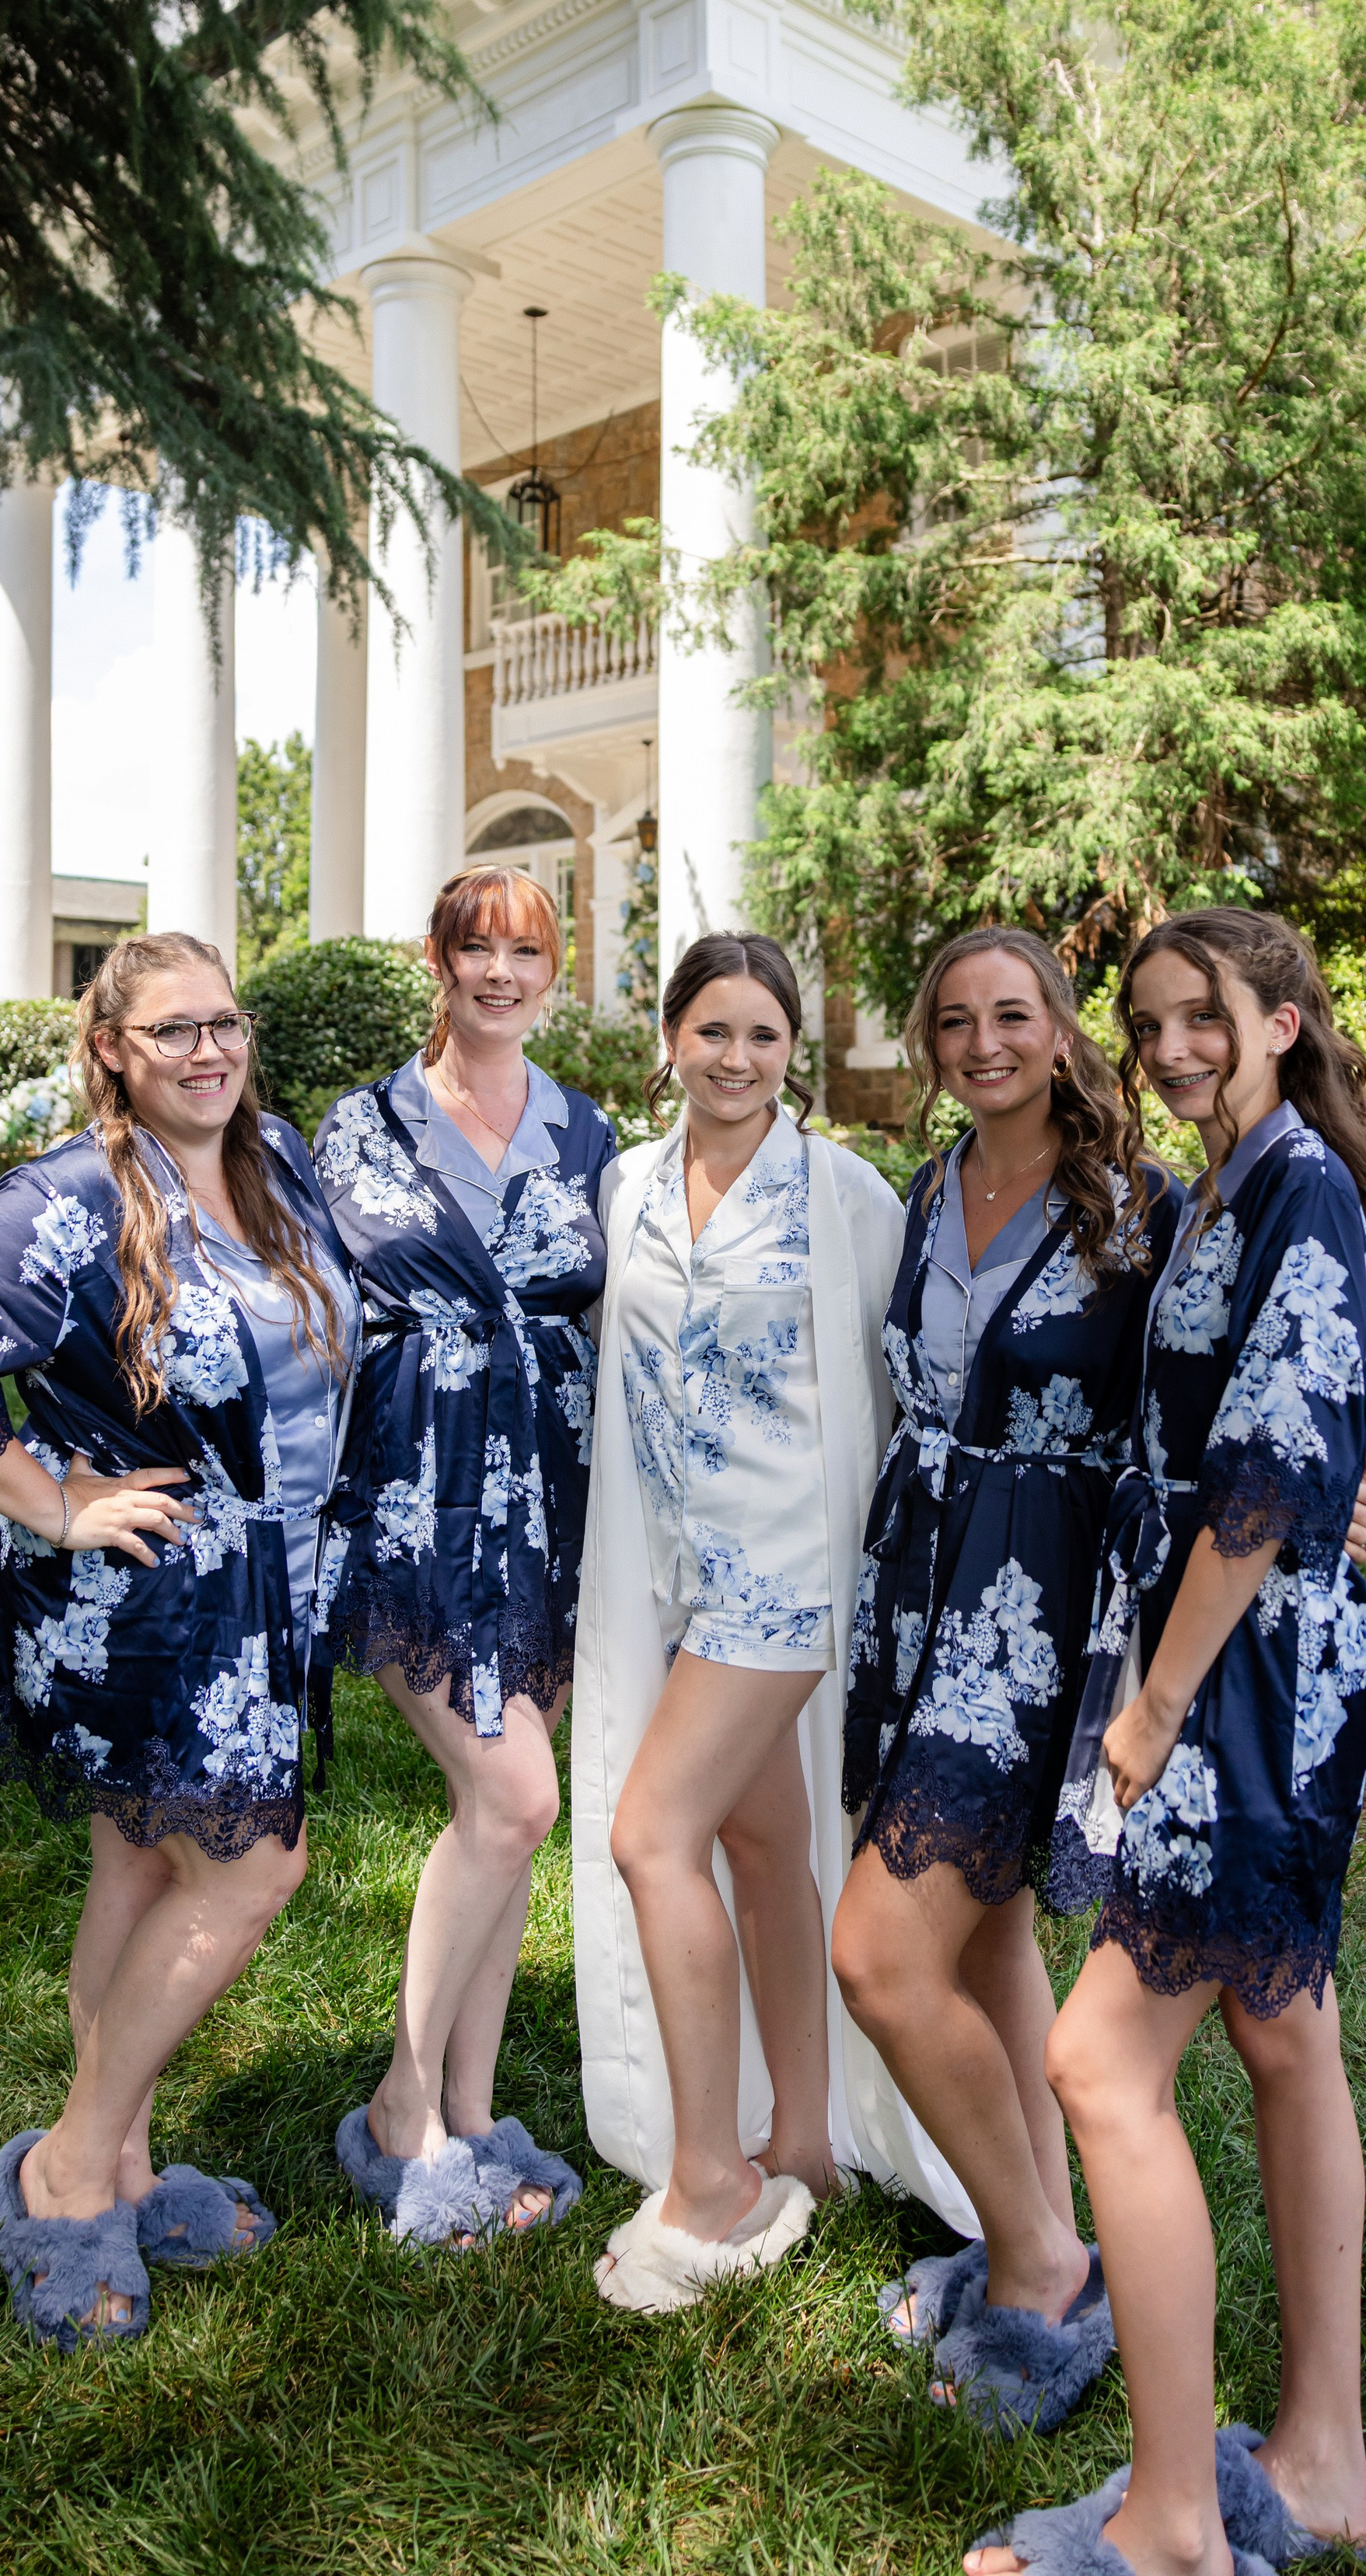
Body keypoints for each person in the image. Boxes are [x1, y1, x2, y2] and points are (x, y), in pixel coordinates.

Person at [971, 908, 1366, 2576]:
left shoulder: (1292, 1185)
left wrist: (1151, 1709)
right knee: (1282, 2032)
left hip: (1234, 1680)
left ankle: (1170, 2525)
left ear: (1283, 1019)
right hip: (1254, 1652)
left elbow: (1252, 1477)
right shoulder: (1228, 1185)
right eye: (1145, 1023)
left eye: (1200, 1018)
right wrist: (1329, 1495)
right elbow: (1276, 1443)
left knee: (1098, 2063)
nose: (1166, 1048)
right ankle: (1317, 2461)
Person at [0, 932, 361, 2350]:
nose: (211, 1051)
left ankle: (125, 2165)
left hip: (260, 1594)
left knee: (143, 1861)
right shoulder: (70, 1197)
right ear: (117, 1053)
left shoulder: (277, 1166)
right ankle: (68, 2170)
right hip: (141, 1608)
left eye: (227, 1025)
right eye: (177, 1032)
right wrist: (55, 1502)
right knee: (254, 1865)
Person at [571, 930, 963, 2316]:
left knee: (647, 1834)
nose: (737, 1061)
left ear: (794, 1051)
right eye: (712, 1032)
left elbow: (938, 1362)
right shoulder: (625, 1188)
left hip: (793, 1575)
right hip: (678, 1571)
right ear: (668, 1038)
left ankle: (712, 2184)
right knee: (756, 1838)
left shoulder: (846, 1197)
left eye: (764, 1038)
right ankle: (801, 2135)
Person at [832, 927, 1176, 2437]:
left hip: (1037, 1611)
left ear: (1057, 1034)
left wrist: (1343, 1488)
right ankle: (1032, 2225)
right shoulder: (925, 1192)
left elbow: (1230, 1382)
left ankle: (1042, 2266)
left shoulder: (1134, 1209)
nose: (982, 1043)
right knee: (982, 1947)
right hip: (919, 1585)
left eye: (1011, 1016)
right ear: (929, 1042)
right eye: (955, 1021)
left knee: (881, 1956)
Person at [315, 866, 615, 2246]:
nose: (499, 973)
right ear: (433, 959)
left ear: (556, 970)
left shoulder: (588, 1133)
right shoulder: (357, 1127)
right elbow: (297, 1313)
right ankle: (400, 2111)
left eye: (526, 952)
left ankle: (476, 2114)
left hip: (554, 1501)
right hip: (411, 1497)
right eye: (475, 947)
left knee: (510, 1813)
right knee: (513, 1803)